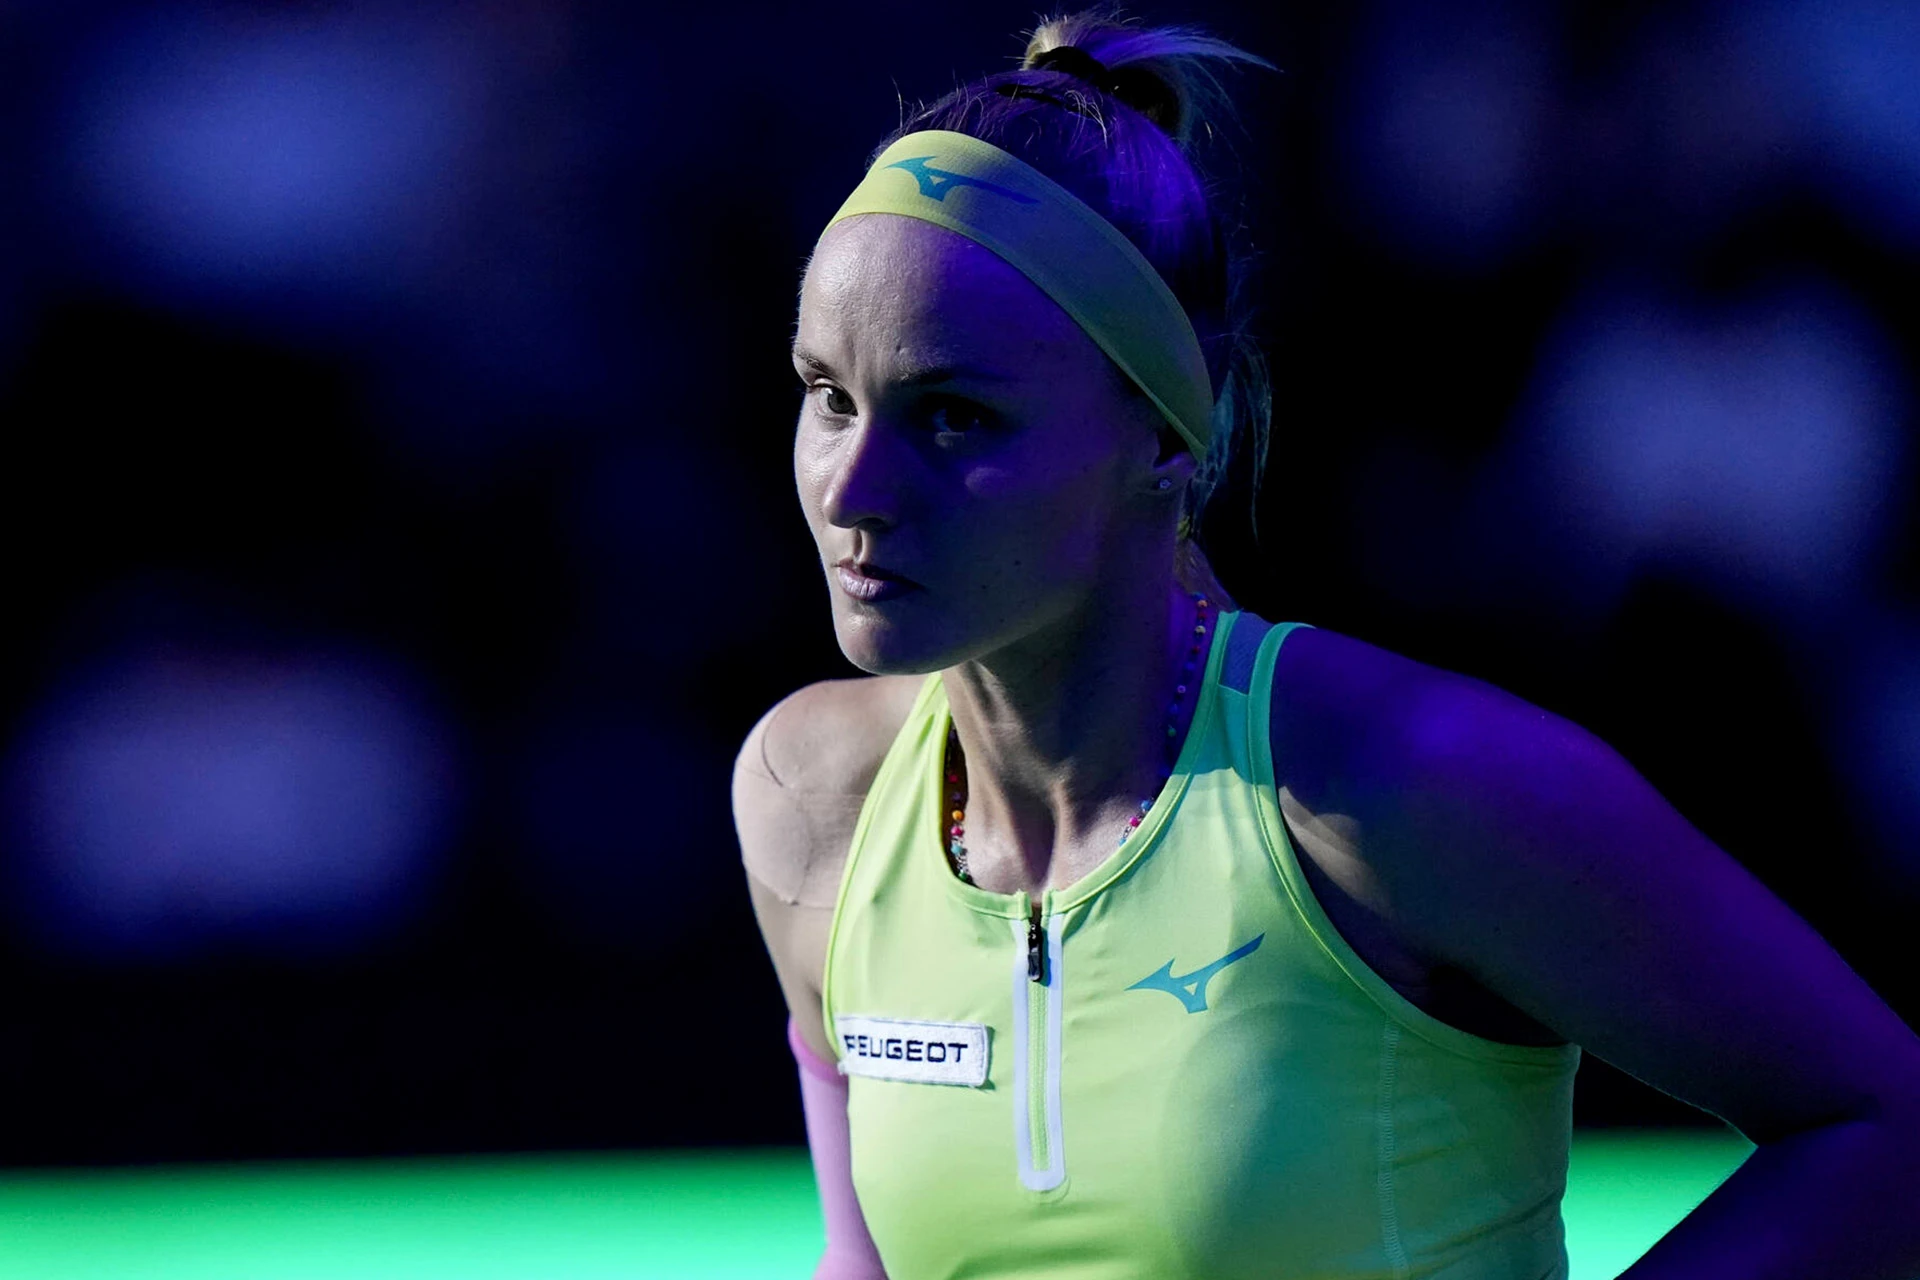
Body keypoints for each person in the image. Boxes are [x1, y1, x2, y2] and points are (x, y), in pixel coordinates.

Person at [733, 7, 1920, 1278]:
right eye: (829, 396)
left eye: (954, 415)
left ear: (1168, 431)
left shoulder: (1410, 786)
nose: (853, 486)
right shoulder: (813, 802)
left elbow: (1888, 1126)